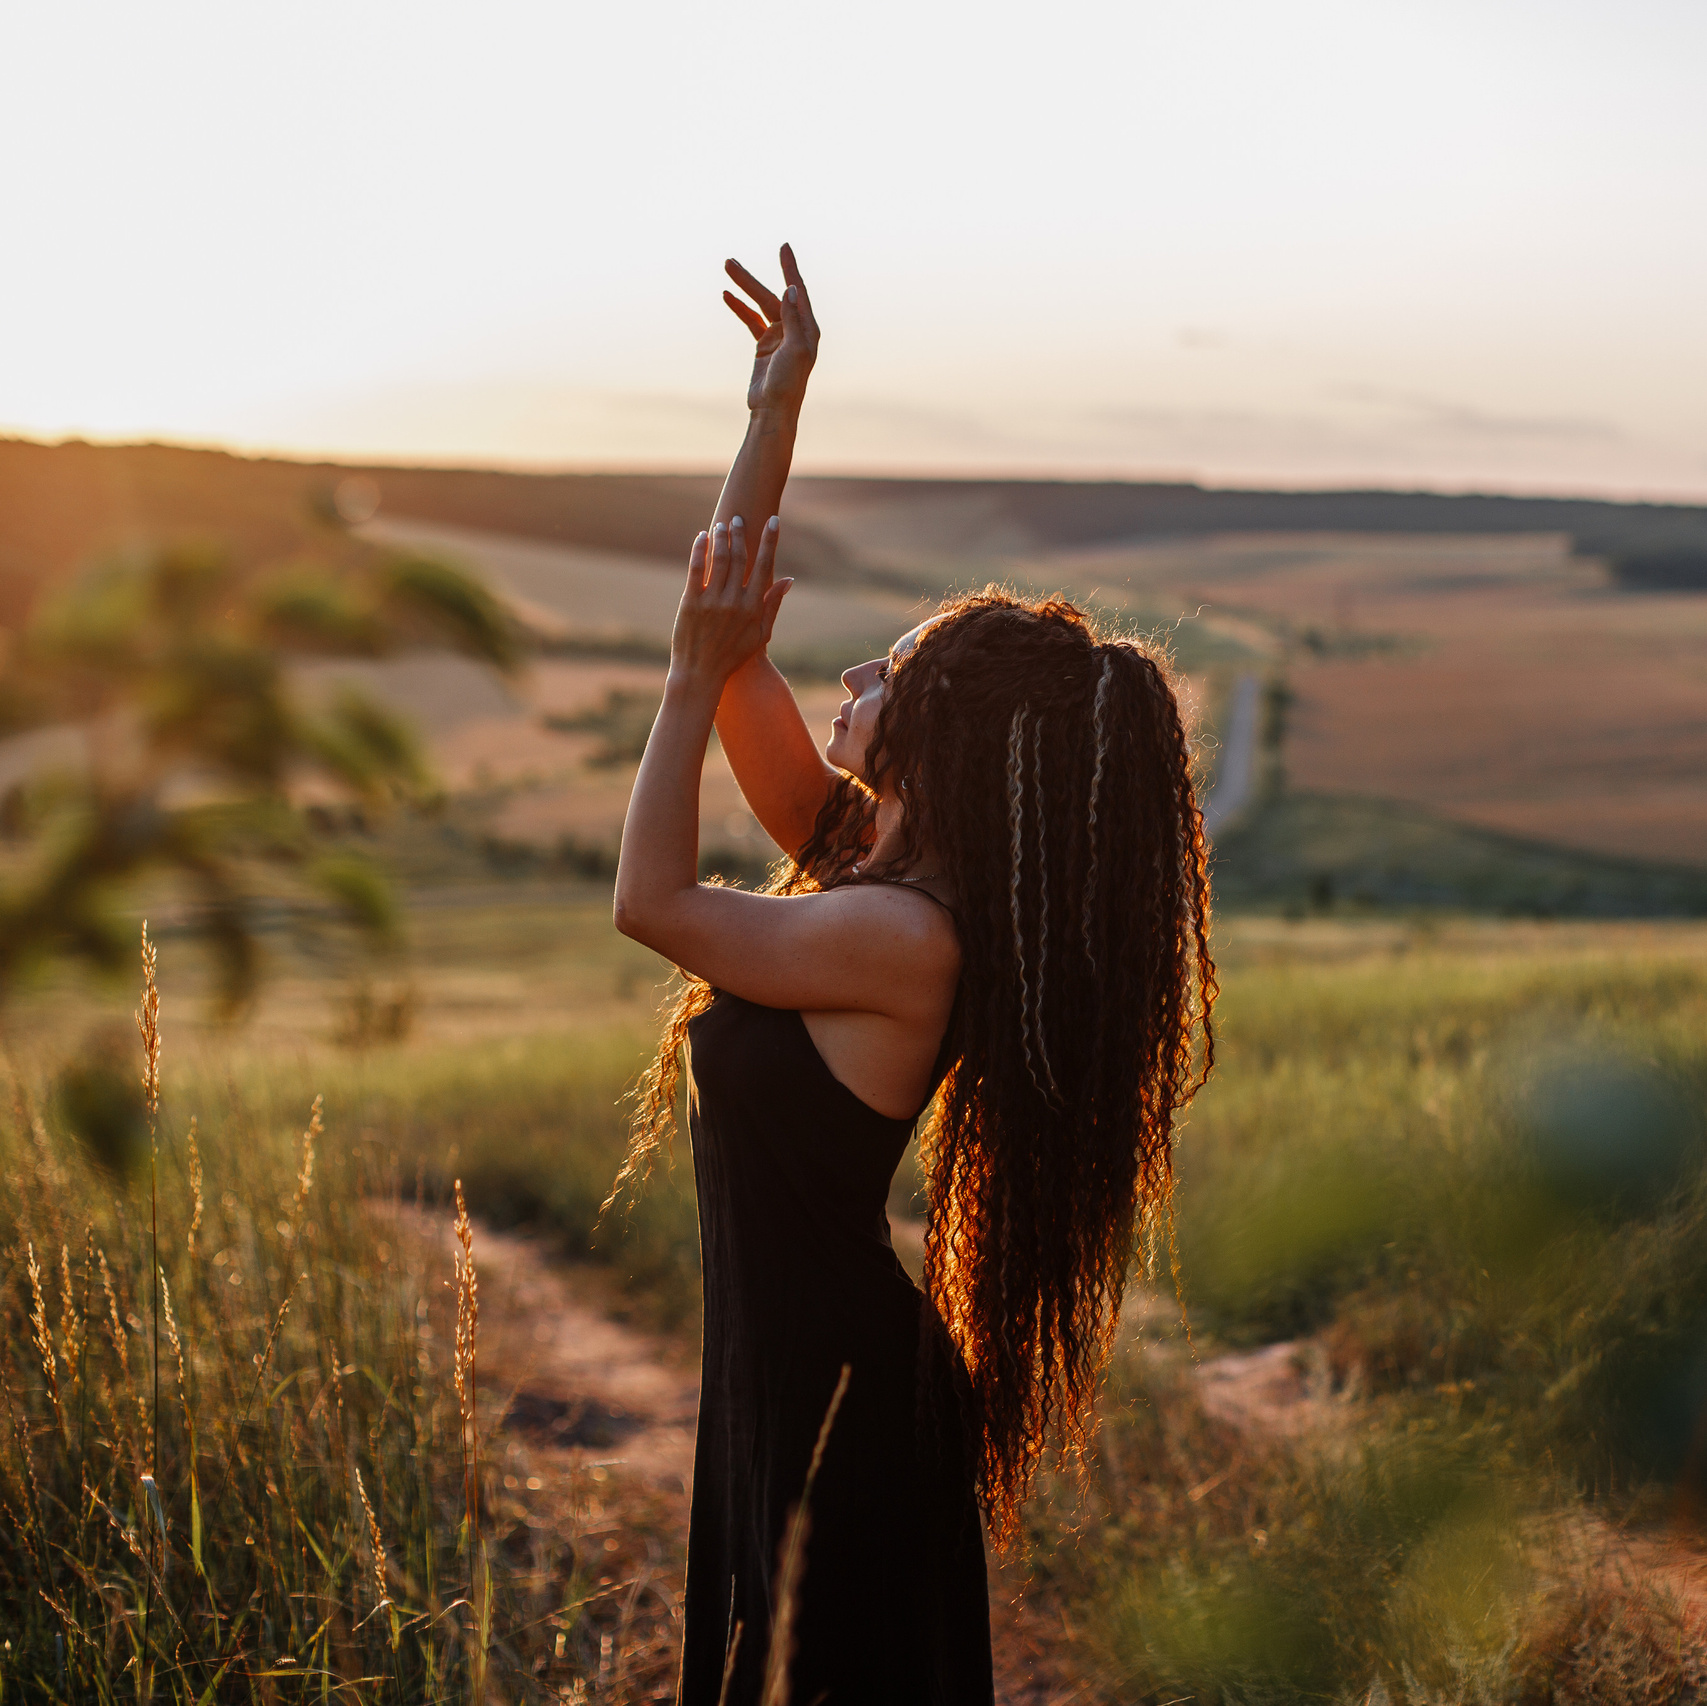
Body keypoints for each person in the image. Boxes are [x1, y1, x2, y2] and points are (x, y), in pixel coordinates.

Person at [610, 248, 1216, 1706]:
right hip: (796, 1379)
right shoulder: (879, 879)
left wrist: (691, 683)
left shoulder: (902, 937)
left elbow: (649, 900)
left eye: (880, 678)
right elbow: (735, 625)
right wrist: (773, 413)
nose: (844, 693)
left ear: (937, 734)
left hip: (846, 1410)